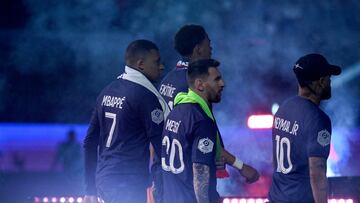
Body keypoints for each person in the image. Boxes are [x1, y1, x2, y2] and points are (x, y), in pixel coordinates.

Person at [158, 24, 259, 180]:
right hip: (188, 173)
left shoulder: (168, 80)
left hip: (167, 169)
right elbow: (203, 135)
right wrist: (241, 166)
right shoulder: (196, 85)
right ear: (198, 49)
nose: (211, 49)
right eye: (208, 44)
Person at [83, 39, 169, 203]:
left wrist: (89, 189)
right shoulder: (145, 97)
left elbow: (89, 142)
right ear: (141, 64)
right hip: (128, 181)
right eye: (157, 62)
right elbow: (161, 147)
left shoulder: (107, 91)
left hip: (105, 179)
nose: (162, 66)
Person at [162, 59, 257, 203]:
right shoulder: (201, 120)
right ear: (200, 84)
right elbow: (200, 171)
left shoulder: (176, 111)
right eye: (217, 79)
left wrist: (240, 166)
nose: (222, 83)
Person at [268, 53, 342, 203]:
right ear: (321, 82)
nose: (330, 83)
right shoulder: (318, 119)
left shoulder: (283, 109)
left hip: (276, 198)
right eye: (329, 78)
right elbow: (318, 170)